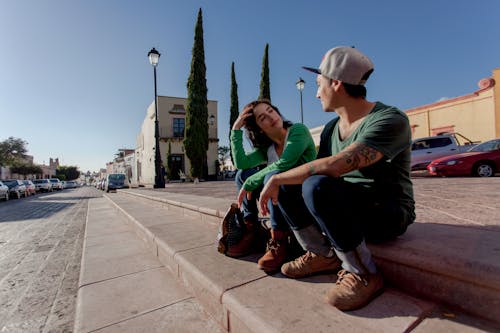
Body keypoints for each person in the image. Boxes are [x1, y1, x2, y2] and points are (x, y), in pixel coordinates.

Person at [259, 46, 415, 311]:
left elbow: (333, 166)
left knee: (315, 184)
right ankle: (322, 255)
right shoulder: (332, 127)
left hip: (387, 213)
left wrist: (276, 179)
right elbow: (315, 168)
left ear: (337, 84)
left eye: (319, 85)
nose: (317, 92)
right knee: (286, 181)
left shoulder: (390, 119)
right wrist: (276, 179)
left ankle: (364, 273)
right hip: (344, 209)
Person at [228, 99, 317, 273]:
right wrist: (235, 129)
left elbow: (284, 163)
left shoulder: (298, 131)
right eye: (263, 117)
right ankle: (250, 227)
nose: (271, 116)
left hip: (302, 199)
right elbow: (241, 162)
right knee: (242, 174)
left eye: (271, 110)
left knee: (272, 176)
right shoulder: (267, 149)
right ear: (259, 128)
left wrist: (252, 182)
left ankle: (278, 239)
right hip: (280, 199)